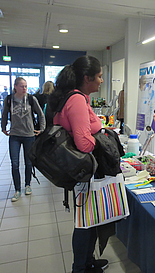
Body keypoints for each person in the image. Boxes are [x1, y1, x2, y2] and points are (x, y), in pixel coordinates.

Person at [48, 56, 109, 273]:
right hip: (82, 171)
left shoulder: (74, 97)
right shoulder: (76, 100)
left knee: (89, 219)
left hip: (77, 169)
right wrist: (101, 139)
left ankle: (87, 261)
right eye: (99, 76)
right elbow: (83, 143)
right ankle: (80, 268)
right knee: (85, 222)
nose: (101, 81)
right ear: (87, 78)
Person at [1, 77, 45, 202]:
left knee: (28, 162)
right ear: (15, 87)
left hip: (29, 135)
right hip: (14, 135)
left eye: (26, 86)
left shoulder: (31, 99)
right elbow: (4, 114)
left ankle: (28, 185)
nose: (24, 88)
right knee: (15, 163)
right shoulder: (9, 99)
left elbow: (40, 114)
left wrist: (41, 128)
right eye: (22, 86)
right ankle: (17, 189)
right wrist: (3, 127)